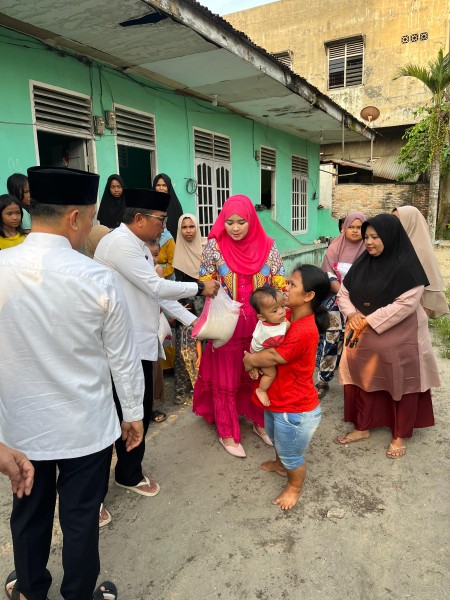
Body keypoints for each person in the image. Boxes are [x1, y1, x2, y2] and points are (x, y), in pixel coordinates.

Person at [0, 166, 145, 600]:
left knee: (29, 514)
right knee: (81, 518)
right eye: (92, 218)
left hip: (22, 429)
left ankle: (30, 590)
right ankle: (78, 594)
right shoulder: (97, 278)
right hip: (86, 428)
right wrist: (133, 413)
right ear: (75, 217)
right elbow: (122, 357)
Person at [94, 188, 219, 498]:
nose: (165, 226)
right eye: (161, 220)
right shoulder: (120, 244)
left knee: (138, 409)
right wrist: (199, 288)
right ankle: (96, 494)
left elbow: (155, 293)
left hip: (139, 342)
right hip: (122, 345)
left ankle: (128, 473)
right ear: (140, 218)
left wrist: (194, 321)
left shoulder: (137, 246)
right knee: (118, 416)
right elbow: (156, 286)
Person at [335, 214, 440, 458]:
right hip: (363, 333)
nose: (369, 242)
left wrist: (368, 320)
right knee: (363, 378)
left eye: (375, 237)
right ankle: (363, 426)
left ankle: (399, 434)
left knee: (400, 381)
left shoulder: (408, 267)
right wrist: (352, 314)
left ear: (391, 237)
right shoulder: (363, 263)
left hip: (400, 336)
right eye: (366, 237)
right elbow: (344, 293)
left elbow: (406, 304)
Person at [193, 195, 286, 458]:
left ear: (251, 220)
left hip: (260, 326)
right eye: (230, 222)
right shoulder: (215, 246)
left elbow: (279, 284)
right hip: (227, 325)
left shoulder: (269, 246)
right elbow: (205, 283)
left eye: (241, 222)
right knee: (226, 377)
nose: (235, 228)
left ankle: (259, 421)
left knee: (259, 373)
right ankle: (227, 431)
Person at [243, 265, 330, 510]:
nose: (285, 287)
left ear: (308, 295)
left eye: (292, 284)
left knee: (292, 454)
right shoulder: (287, 315)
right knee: (276, 439)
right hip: (279, 399)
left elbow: (275, 357)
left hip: (295, 408)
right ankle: (279, 465)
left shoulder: (304, 329)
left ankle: (294, 486)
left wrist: (249, 360)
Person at [316, 211, 367, 399]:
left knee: (357, 341)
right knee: (331, 339)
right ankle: (323, 379)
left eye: (359, 227)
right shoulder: (334, 248)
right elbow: (329, 275)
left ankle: (355, 382)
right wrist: (344, 295)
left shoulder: (369, 249)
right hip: (336, 300)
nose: (355, 231)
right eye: (351, 227)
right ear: (344, 228)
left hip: (362, 302)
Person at [172, 213, 206, 404]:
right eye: (184, 227)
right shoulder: (178, 251)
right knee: (183, 348)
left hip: (204, 304)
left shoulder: (205, 250)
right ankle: (181, 389)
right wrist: (178, 308)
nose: (188, 231)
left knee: (203, 348)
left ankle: (201, 387)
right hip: (185, 306)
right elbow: (176, 284)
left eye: (191, 226)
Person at [393, 205, 449, 318]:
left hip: (414, 314)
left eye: (397, 221)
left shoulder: (421, 252)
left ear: (410, 223)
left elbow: (430, 293)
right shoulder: (398, 246)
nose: (393, 225)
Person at [249, 286, 290, 406]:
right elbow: (279, 344)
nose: (282, 312)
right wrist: (287, 326)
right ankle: (261, 390)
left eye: (282, 306)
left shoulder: (268, 320)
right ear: (261, 317)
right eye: (275, 311)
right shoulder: (271, 335)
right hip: (259, 354)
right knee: (271, 374)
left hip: (256, 346)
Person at [152, 173, 183, 240]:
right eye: (158, 185)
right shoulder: (149, 203)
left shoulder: (175, 205)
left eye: (164, 185)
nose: (161, 188)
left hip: (172, 240)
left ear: (168, 187)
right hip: (152, 239)